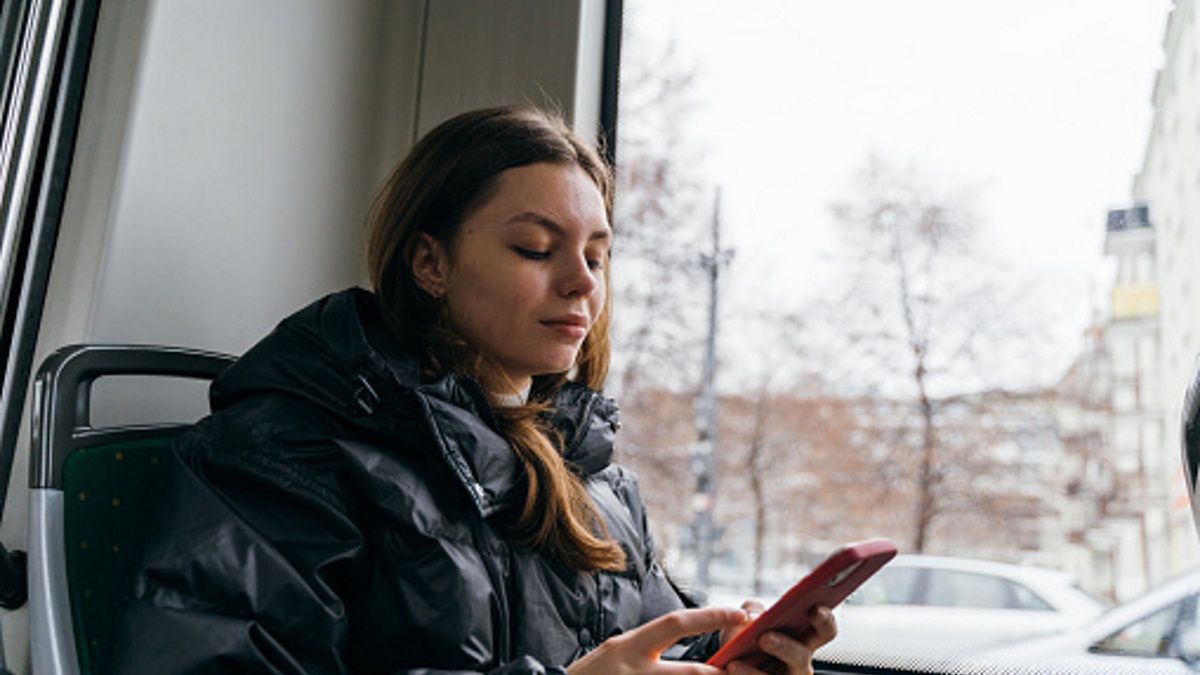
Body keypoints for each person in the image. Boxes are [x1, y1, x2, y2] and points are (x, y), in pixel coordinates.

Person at [110, 105, 836, 674]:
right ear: (430, 262)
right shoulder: (281, 454)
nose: (584, 282)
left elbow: (648, 652)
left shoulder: (600, 485)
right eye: (534, 249)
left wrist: (733, 660)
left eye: (597, 255)